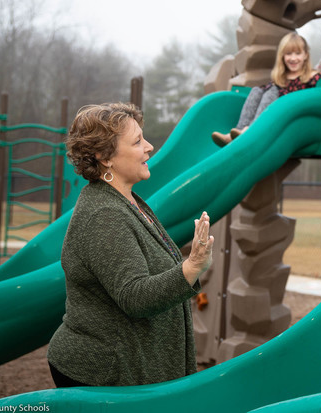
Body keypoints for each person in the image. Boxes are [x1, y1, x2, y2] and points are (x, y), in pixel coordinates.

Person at [48, 102, 214, 387]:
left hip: (128, 369)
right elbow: (136, 297)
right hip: (105, 375)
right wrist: (193, 266)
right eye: (137, 141)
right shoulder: (105, 215)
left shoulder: (125, 201)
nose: (149, 147)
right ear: (104, 157)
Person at [212, 32, 321, 146]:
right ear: (282, 56)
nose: (293, 58)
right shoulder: (280, 80)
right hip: (273, 120)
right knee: (257, 90)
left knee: (272, 92)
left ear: (305, 55)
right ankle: (239, 131)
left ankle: (249, 131)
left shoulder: (312, 77)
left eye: (298, 53)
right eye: (288, 54)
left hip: (291, 122)